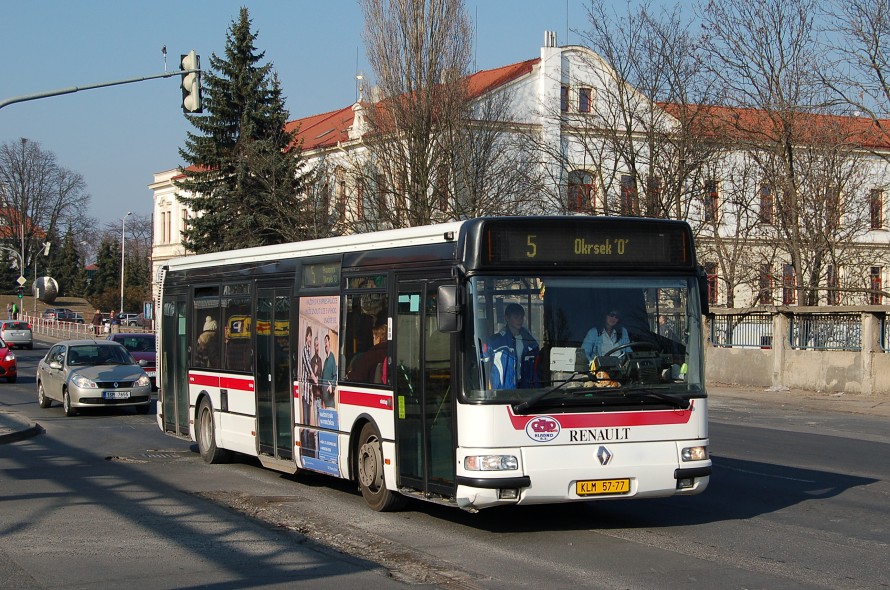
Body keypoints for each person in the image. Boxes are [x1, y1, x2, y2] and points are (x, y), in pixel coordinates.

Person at [484, 303, 540, 389]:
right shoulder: (495, 342)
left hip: (526, 390)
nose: (520, 320)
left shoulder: (531, 342)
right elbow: (484, 366)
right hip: (503, 392)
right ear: (507, 318)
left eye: (521, 317)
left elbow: (536, 370)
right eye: (516, 317)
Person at [320, 332, 338, 406]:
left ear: (329, 342)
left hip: (329, 393)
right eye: (324, 342)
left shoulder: (331, 357)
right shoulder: (325, 360)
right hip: (324, 394)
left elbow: (335, 375)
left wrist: (331, 385)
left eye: (326, 341)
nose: (325, 344)